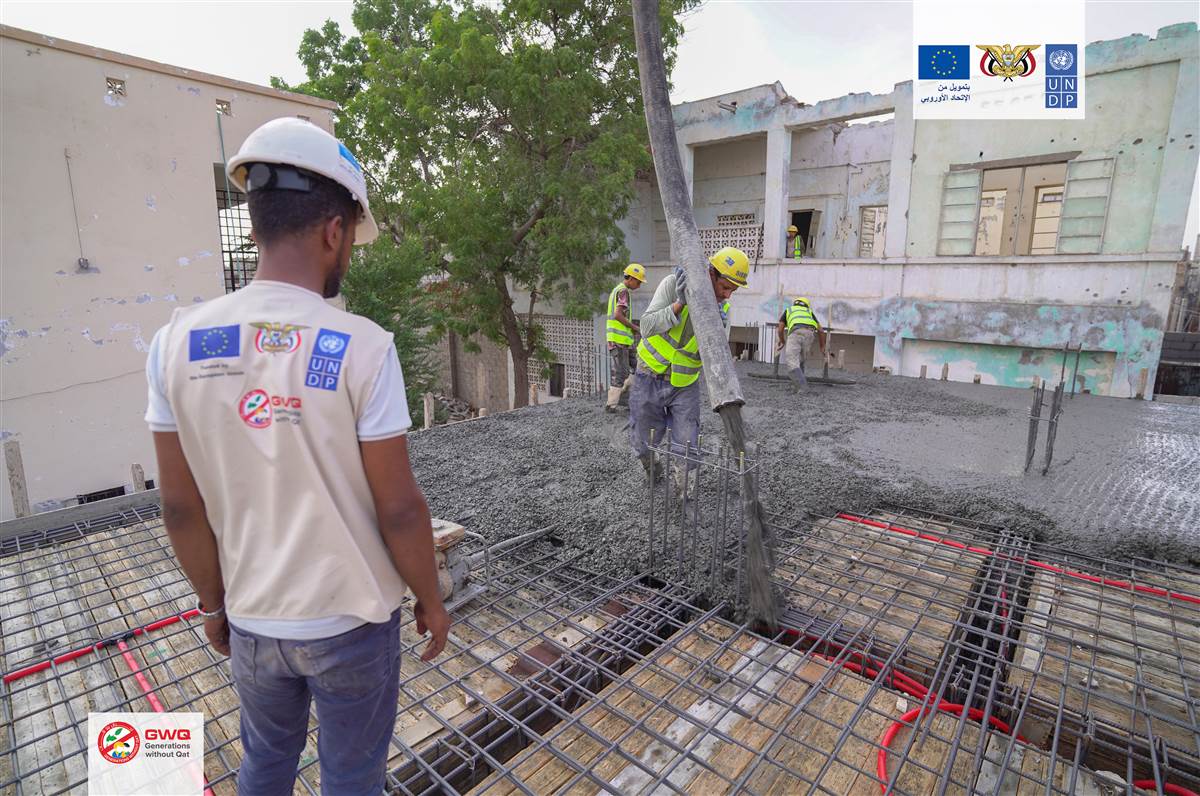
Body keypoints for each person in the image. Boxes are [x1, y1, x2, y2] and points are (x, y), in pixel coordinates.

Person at [143, 117, 449, 795]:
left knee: (266, 766)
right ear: (334, 231)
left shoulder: (175, 343)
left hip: (253, 622)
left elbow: (178, 506)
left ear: (255, 224)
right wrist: (430, 597)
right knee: (351, 778)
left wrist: (212, 605)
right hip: (353, 625)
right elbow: (399, 508)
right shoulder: (365, 346)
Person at [629, 247, 748, 483]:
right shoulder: (674, 284)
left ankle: (685, 493)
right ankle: (652, 468)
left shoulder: (722, 309)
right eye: (725, 288)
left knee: (687, 447)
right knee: (643, 442)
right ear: (711, 274)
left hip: (685, 385)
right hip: (648, 376)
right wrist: (678, 305)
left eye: (732, 291)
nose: (727, 296)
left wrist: (714, 328)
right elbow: (647, 326)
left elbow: (716, 357)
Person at [605, 263, 646, 413]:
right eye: (639, 281)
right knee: (621, 372)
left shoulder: (618, 290)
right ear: (632, 278)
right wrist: (634, 327)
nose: (640, 285)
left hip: (624, 341)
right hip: (619, 340)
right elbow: (617, 314)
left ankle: (629, 398)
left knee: (637, 367)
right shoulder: (623, 291)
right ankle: (612, 405)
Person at [777, 296, 826, 390]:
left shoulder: (789, 310)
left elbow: (780, 329)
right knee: (801, 360)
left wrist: (782, 341)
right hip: (810, 334)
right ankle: (797, 384)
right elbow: (821, 330)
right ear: (807, 305)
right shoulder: (809, 312)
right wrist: (822, 346)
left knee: (792, 361)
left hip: (796, 332)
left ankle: (803, 388)